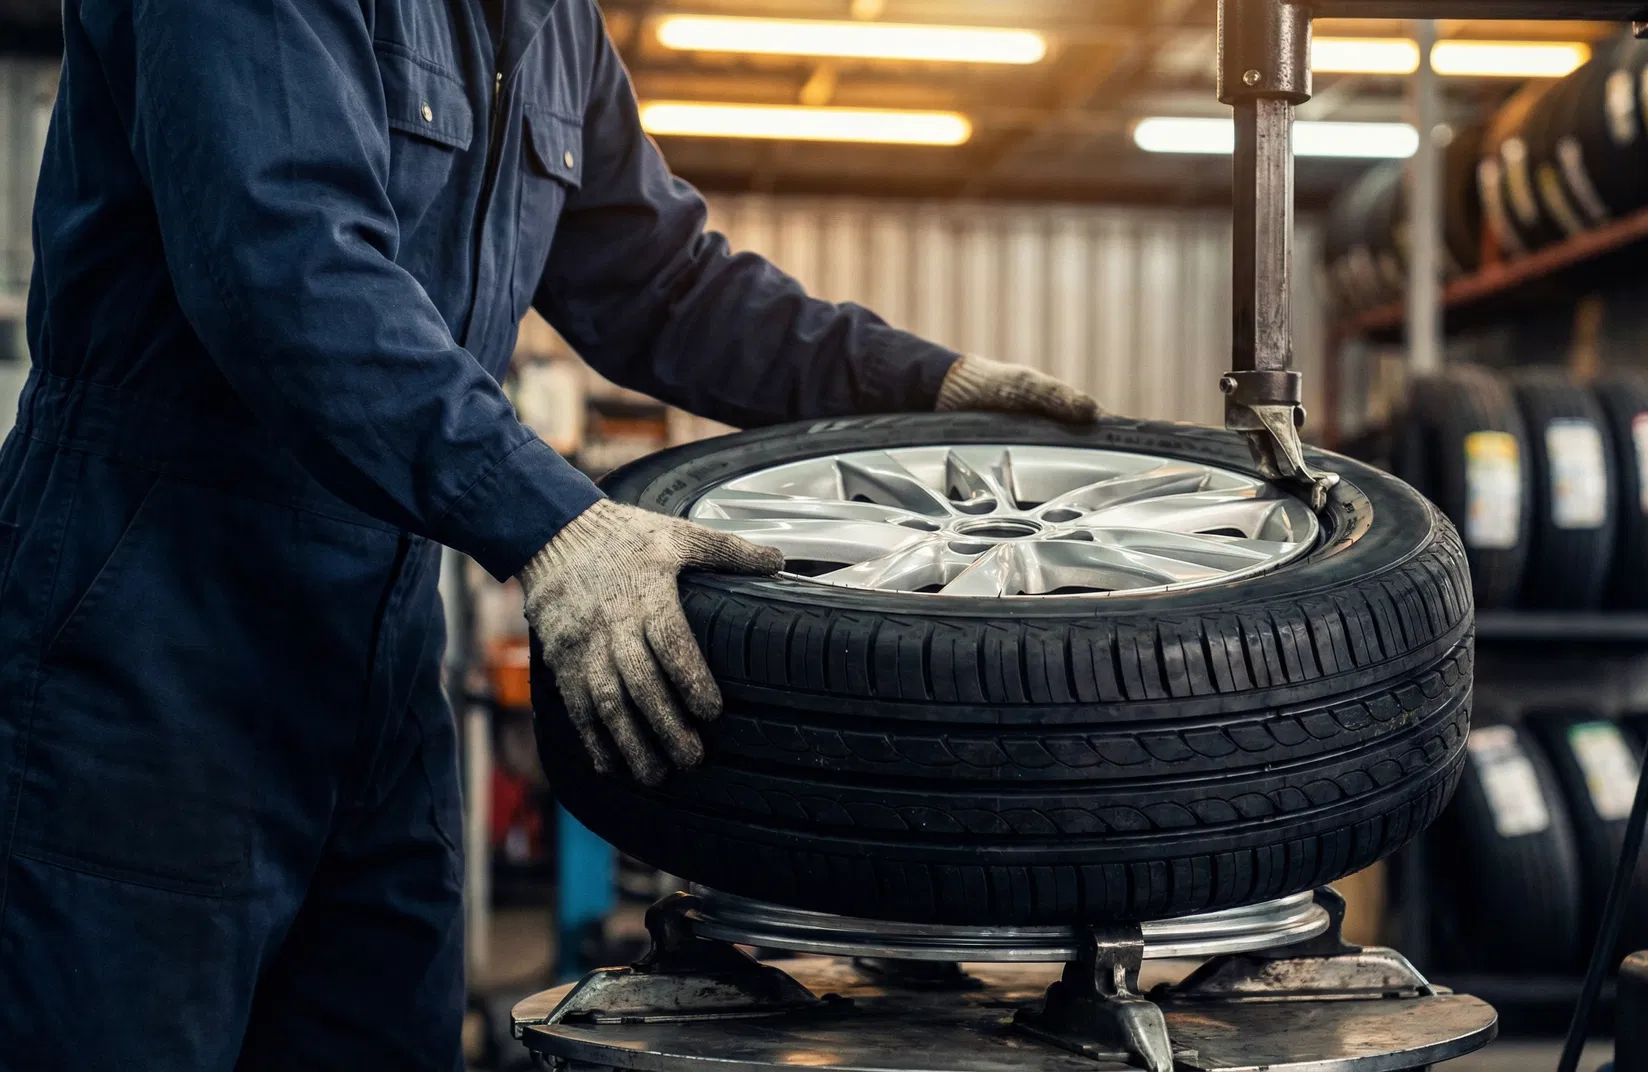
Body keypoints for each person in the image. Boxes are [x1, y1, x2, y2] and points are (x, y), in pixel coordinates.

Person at [0, 0, 1098, 1066]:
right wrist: (551, 520)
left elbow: (662, 284)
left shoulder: (549, 22)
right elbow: (285, 268)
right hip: (147, 631)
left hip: (376, 650)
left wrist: (921, 388)